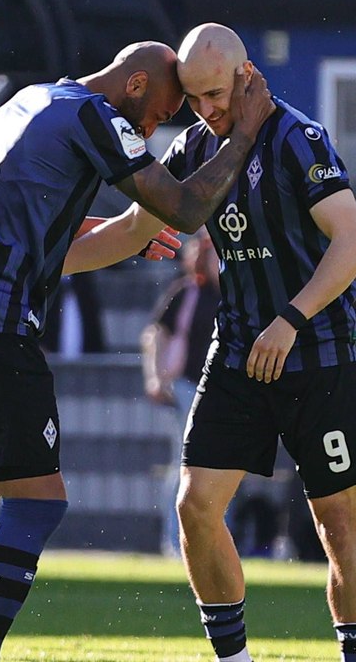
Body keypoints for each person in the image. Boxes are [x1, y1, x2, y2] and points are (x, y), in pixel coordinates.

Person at [0, 39, 273, 662]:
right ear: (134, 86)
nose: (153, 128)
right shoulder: (93, 116)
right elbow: (186, 208)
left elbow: (46, 229)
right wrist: (243, 134)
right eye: (158, 114)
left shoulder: (30, 102)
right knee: (39, 502)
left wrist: (132, 233)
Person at [159, 23, 356, 662]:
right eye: (194, 99)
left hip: (317, 355)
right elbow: (143, 221)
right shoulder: (194, 146)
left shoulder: (297, 137)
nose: (207, 110)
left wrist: (290, 318)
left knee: (338, 527)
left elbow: (355, 242)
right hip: (237, 355)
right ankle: (233, 659)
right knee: (195, 506)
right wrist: (60, 251)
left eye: (216, 95)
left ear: (244, 73)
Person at [141, 230, 220, 557]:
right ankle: (174, 543)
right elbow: (156, 333)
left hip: (223, 389)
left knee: (221, 467)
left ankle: (214, 542)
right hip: (189, 385)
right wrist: (155, 377)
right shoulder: (187, 293)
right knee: (186, 463)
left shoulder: (235, 295)